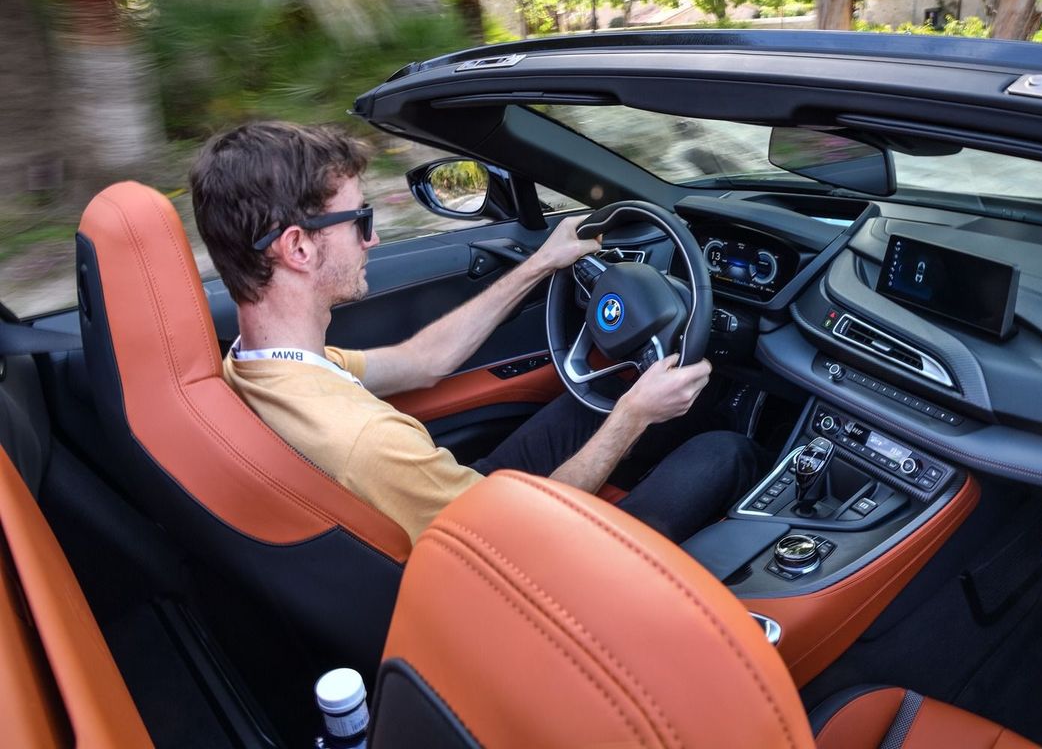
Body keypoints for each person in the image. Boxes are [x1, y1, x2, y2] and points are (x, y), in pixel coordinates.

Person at [191, 121, 757, 544]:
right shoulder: (363, 439)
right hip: (506, 564)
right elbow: (515, 535)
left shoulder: (261, 365)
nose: (374, 240)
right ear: (297, 247)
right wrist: (634, 416)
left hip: (459, 505)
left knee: (596, 398)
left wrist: (541, 263)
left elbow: (422, 361)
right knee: (724, 453)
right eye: (361, 220)